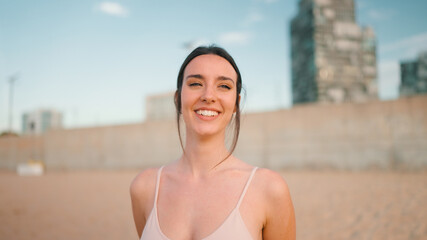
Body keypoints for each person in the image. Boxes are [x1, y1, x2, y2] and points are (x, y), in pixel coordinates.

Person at [130, 46, 296, 240]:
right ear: (177, 99)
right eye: (195, 83)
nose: (208, 96)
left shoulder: (269, 189)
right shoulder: (144, 187)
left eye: (224, 86)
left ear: (236, 103)